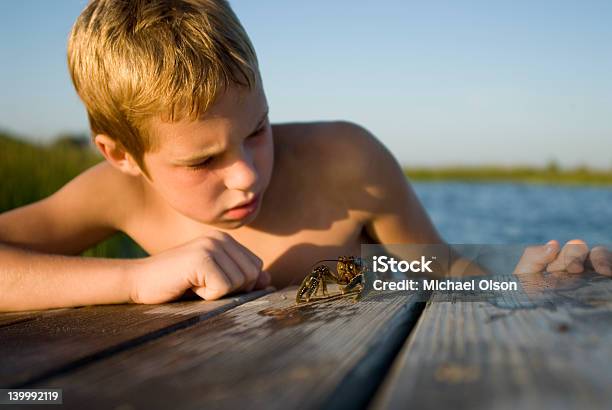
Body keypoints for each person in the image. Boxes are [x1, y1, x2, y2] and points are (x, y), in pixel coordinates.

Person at [0, 0, 609, 312]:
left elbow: (435, 269)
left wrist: (517, 283)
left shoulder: (347, 160)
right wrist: (134, 279)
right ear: (121, 154)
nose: (244, 173)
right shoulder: (117, 192)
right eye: (201, 162)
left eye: (258, 128)